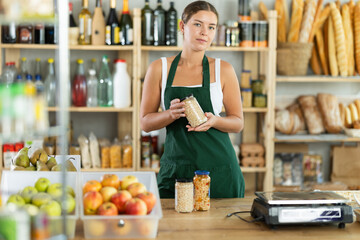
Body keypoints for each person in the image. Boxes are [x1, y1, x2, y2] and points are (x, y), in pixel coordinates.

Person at [140, 1, 245, 198]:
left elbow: (238, 123)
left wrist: (215, 121)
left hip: (219, 170)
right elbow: (145, 122)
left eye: (211, 27)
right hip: (177, 170)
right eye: (198, 24)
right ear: (182, 26)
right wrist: (170, 114)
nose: (205, 32)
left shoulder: (223, 70)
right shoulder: (159, 68)